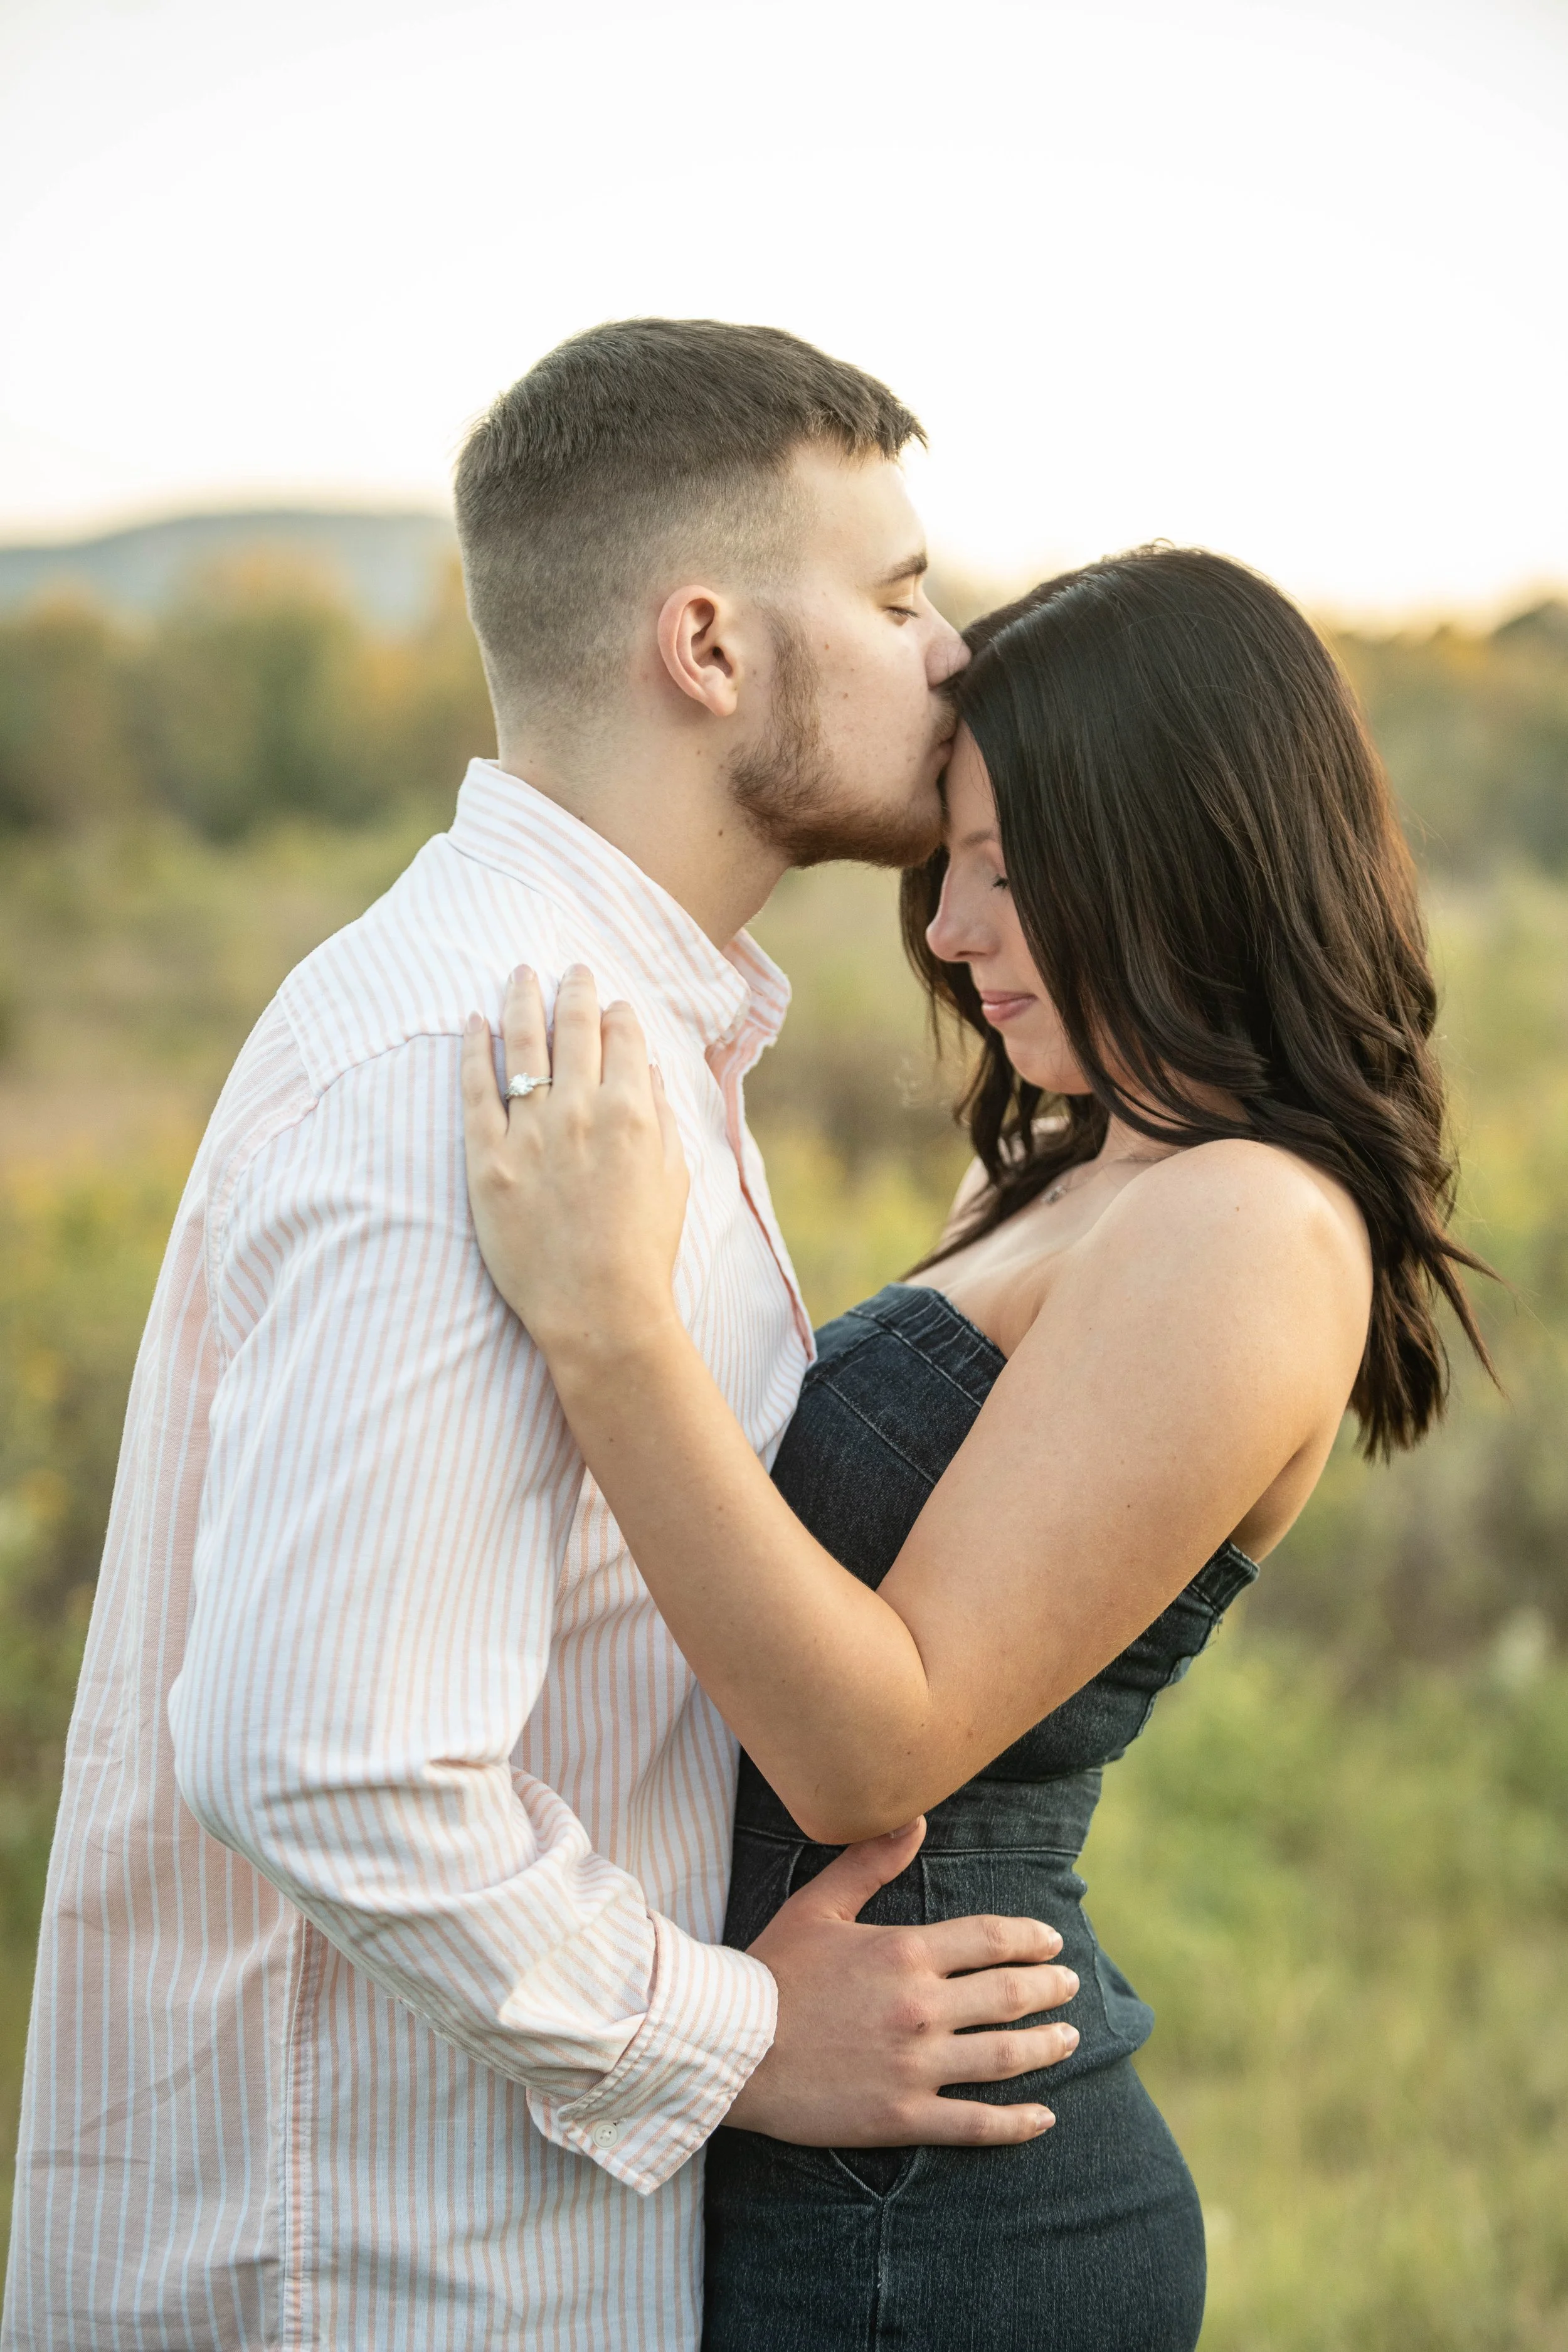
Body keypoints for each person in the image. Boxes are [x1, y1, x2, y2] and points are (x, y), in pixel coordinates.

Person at [2, 322, 1084, 2352]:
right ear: (707, 643)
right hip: (398, 2277)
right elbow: (318, 1750)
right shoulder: (481, 1052)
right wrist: (740, 2038)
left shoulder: (614, 1027)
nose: (949, 652)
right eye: (893, 591)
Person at [460, 546, 1492, 2352]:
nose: (946, 930)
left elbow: (876, 1746)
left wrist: (606, 1325)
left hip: (939, 2217)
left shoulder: (1247, 1226)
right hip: (819, 2139)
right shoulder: (1076, 1174)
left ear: (1185, 859)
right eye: (951, 865)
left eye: (1009, 872)